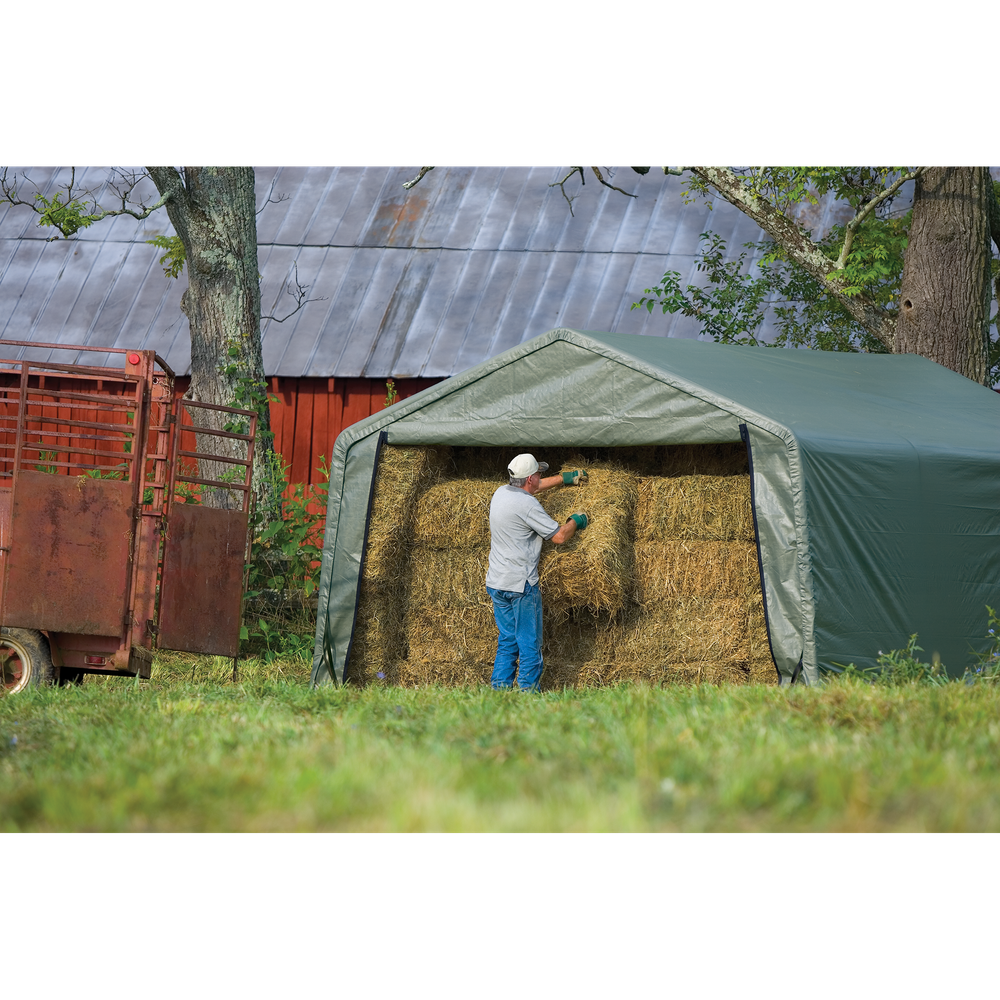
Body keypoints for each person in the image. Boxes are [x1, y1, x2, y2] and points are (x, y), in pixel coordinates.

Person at [485, 454, 588, 691]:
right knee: (529, 642)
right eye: (539, 474)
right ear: (530, 477)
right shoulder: (528, 505)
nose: (541, 477)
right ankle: (528, 695)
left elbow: (533, 488)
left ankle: (499, 691)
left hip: (497, 582)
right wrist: (575, 521)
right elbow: (559, 537)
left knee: (508, 640)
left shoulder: (500, 492)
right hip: (521, 586)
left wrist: (563, 479)